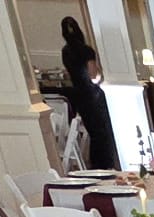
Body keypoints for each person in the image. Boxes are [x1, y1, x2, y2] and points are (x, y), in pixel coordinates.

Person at [60, 16, 116, 169]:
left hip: (79, 95)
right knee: (103, 132)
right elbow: (94, 76)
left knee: (93, 132)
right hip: (93, 94)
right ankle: (106, 163)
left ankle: (97, 164)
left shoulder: (65, 52)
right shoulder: (87, 51)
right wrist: (100, 75)